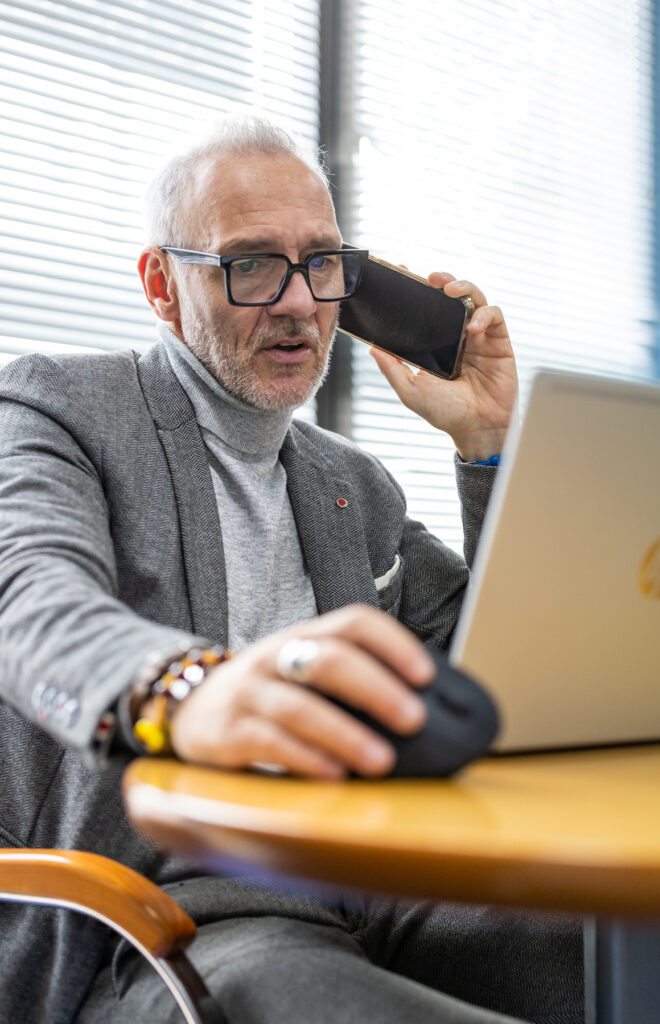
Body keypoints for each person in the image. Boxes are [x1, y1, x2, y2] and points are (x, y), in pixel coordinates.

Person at [0, 116, 581, 1024]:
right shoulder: (59, 410)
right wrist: (191, 692)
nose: (301, 303)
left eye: (321, 262)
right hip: (170, 917)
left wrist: (487, 443)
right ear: (161, 284)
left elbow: (502, 671)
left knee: (617, 944)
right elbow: (33, 609)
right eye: (252, 264)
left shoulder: (351, 483)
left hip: (372, 879)